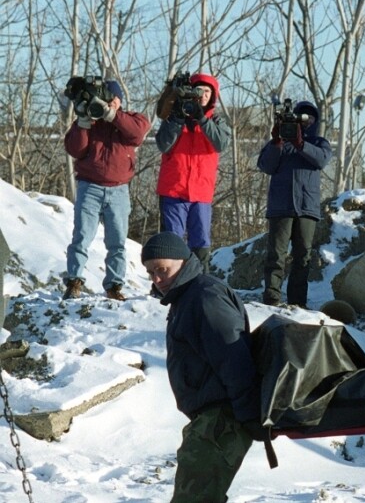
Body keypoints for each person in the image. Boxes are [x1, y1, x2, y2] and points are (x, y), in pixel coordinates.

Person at [141, 231, 274, 502]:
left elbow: (234, 357)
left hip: (223, 419)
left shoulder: (204, 296)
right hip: (212, 419)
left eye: (162, 269)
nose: (156, 279)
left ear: (183, 261)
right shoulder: (187, 298)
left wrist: (248, 414)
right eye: (150, 272)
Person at [62, 79, 151, 300]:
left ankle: (114, 287)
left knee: (117, 242)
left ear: (119, 100)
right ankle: (74, 282)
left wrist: (111, 115)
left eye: (111, 99)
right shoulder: (89, 122)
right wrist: (83, 119)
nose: (107, 103)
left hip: (119, 191)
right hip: (89, 187)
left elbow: (136, 134)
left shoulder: (131, 119)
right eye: (104, 99)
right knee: (81, 237)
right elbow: (75, 149)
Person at [257, 100, 332, 307]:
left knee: (303, 257)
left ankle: (297, 301)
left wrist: (301, 145)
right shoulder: (280, 144)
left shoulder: (319, 143)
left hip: (307, 207)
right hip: (281, 207)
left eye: (309, 118)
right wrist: (277, 143)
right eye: (302, 118)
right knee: (276, 255)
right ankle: (272, 297)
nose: (305, 122)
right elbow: (265, 165)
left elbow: (321, 160)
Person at [155, 73, 232, 273]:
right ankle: (165, 284)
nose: (204, 95)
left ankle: (200, 282)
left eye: (208, 91)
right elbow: (163, 144)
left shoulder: (215, 120)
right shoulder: (175, 115)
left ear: (214, 95)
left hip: (201, 192)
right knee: (172, 240)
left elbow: (221, 143)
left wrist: (201, 119)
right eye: (200, 90)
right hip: (174, 188)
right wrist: (177, 118)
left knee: (201, 241)